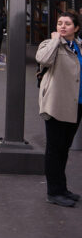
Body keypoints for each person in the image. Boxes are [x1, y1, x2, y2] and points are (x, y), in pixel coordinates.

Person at [36, 11, 82, 207]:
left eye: (67, 23)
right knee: (54, 150)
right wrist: (55, 41)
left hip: (76, 103)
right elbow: (43, 60)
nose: (62, 26)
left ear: (76, 28)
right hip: (56, 103)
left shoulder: (79, 46)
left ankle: (62, 188)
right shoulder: (48, 44)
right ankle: (53, 192)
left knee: (64, 149)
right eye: (59, 23)